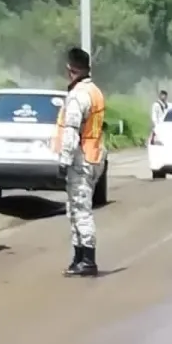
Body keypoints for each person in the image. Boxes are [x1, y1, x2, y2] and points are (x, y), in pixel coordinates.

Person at [56, 46, 106, 276]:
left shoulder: (78, 95)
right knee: (75, 207)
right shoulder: (95, 91)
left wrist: (64, 160)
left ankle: (87, 260)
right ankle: (79, 258)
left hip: (81, 158)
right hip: (94, 156)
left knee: (81, 209)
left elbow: (71, 129)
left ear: (71, 70)